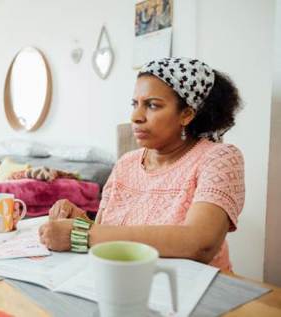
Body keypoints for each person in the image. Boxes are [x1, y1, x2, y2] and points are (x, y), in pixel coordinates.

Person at [39, 57, 245, 271]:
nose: (135, 116)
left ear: (186, 114)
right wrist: (79, 221)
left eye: (152, 105)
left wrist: (80, 234)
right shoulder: (126, 164)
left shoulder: (219, 158)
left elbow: (200, 243)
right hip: (127, 282)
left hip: (193, 291)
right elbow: (105, 235)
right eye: (135, 104)